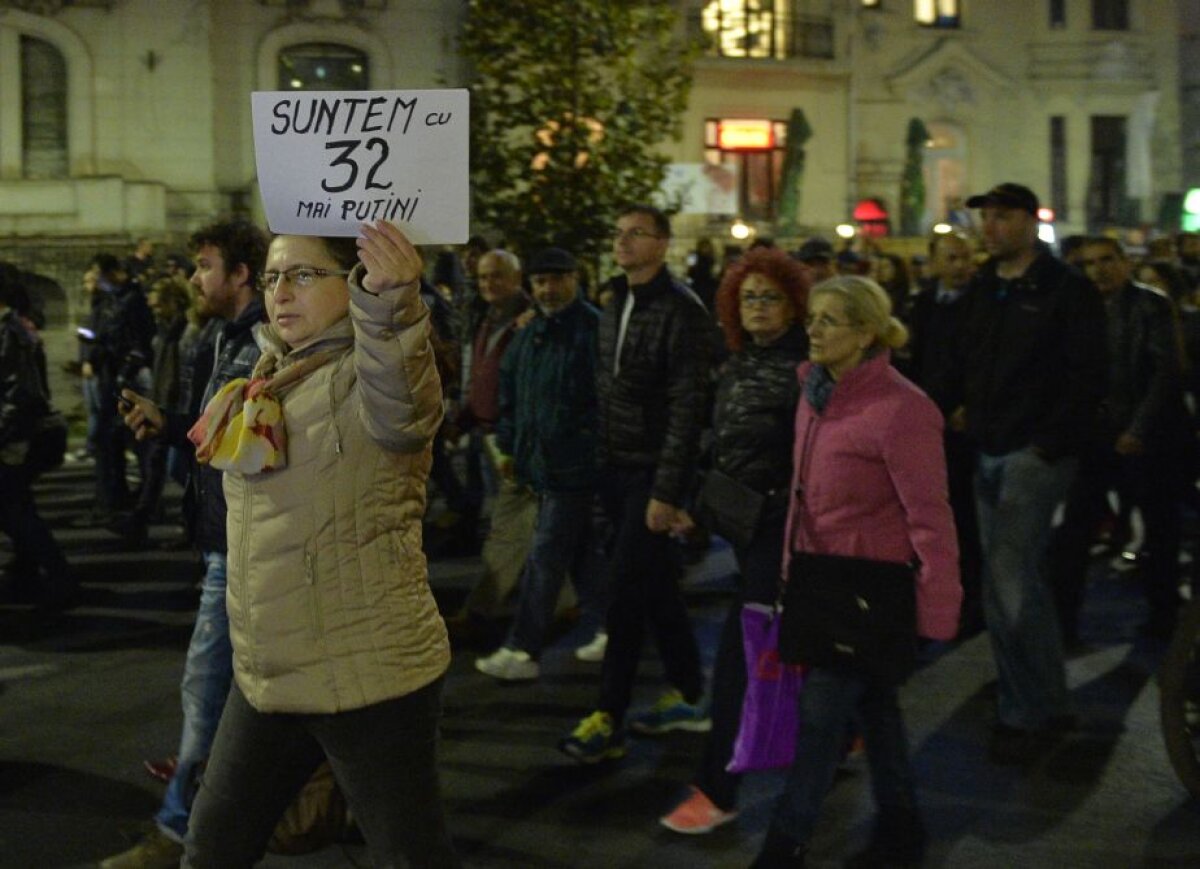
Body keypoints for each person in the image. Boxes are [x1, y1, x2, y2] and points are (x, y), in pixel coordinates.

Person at [178, 221, 456, 867]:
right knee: (212, 848)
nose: (282, 291)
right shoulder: (272, 372)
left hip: (368, 677)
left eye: (304, 275)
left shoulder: (375, 371)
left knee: (411, 856)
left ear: (353, 279)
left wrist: (391, 300)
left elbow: (404, 403)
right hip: (270, 672)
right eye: (274, 277)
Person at [752, 276, 960, 868]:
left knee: (819, 720)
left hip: (869, 590)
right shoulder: (814, 394)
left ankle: (783, 843)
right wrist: (790, 574)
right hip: (819, 581)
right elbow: (802, 499)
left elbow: (930, 516)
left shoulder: (902, 409)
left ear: (866, 332)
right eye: (812, 317)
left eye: (829, 320)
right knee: (875, 708)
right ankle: (902, 823)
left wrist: (937, 607)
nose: (812, 329)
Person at [100, 218, 270, 869]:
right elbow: (215, 432)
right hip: (223, 537)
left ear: (239, 274)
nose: (195, 277)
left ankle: (176, 830)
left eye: (205, 265)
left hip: (239, 546)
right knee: (238, 693)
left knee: (206, 688)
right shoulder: (226, 335)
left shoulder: (258, 339)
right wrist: (167, 423)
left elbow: (246, 443)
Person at [940, 183, 1107, 764]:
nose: (990, 226)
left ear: (1030, 221)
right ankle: (1046, 699)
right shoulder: (987, 287)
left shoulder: (1065, 291)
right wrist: (965, 407)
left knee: (1010, 579)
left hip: (1033, 454)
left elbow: (1087, 375)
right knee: (1010, 581)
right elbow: (970, 356)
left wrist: (1048, 444)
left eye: (1002, 216)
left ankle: (1023, 708)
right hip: (989, 445)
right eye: (985, 216)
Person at [659, 246, 809, 834]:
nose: (759, 307)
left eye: (771, 297)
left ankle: (718, 789)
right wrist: (701, 509)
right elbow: (730, 448)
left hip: (787, 529)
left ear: (794, 305)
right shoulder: (741, 360)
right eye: (749, 297)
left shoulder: (807, 368)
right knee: (805, 647)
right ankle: (846, 732)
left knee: (739, 659)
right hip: (748, 528)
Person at [559, 204, 713, 763]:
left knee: (624, 593)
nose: (622, 242)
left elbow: (687, 408)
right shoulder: (615, 302)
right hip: (616, 469)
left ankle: (609, 716)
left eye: (636, 233)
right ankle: (692, 695)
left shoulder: (682, 311)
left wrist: (668, 493)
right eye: (617, 232)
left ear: (664, 243)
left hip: (653, 472)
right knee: (654, 587)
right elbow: (608, 392)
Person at [1053, 237, 1190, 642]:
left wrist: (1138, 429)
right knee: (1074, 534)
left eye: (1107, 260)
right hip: (1096, 437)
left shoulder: (1150, 305)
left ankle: (1164, 620)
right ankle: (1064, 625)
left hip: (1151, 440)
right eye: (1090, 263)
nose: (1099, 270)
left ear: (1124, 263)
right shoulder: (1077, 309)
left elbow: (1166, 372)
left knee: (1160, 531)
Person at [474, 247, 601, 681]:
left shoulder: (591, 330)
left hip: (575, 465)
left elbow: (602, 399)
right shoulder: (529, 332)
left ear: (575, 278)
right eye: (541, 280)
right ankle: (608, 626)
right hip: (539, 463)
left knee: (545, 556)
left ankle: (522, 648)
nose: (548, 288)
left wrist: (587, 444)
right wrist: (510, 446)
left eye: (557, 279)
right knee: (579, 554)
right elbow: (511, 390)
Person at [905, 230, 982, 634]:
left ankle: (971, 606)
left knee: (965, 520)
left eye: (965, 257)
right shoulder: (923, 306)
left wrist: (970, 405)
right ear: (933, 262)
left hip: (965, 428)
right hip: (927, 426)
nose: (960, 266)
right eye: (951, 258)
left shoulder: (983, 303)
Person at [0, 274, 74, 611]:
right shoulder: (13, 328)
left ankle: (59, 578)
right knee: (17, 507)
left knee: (15, 512)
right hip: (21, 432)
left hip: (17, 435)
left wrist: (5, 431)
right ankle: (30, 575)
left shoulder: (9, 331)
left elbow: (19, 392)